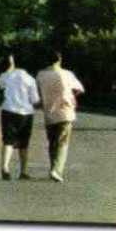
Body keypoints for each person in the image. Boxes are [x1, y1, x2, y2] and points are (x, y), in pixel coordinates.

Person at [36, 51, 85, 183]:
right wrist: (71, 95)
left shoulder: (41, 75)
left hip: (49, 113)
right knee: (63, 143)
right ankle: (56, 170)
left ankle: (53, 167)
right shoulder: (67, 74)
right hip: (65, 111)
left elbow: (39, 92)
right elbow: (80, 89)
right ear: (60, 60)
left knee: (52, 143)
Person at [0, 53, 39, 180]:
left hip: (8, 110)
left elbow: (0, 84)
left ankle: (5, 168)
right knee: (24, 143)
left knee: (8, 140)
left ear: (14, 63)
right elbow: (35, 99)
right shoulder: (30, 79)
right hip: (26, 113)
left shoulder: (6, 76)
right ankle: (23, 171)